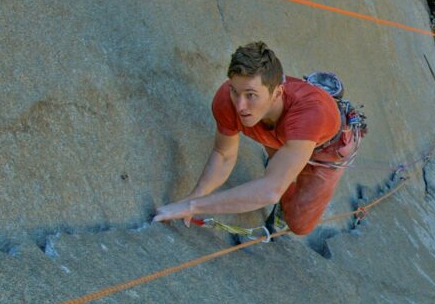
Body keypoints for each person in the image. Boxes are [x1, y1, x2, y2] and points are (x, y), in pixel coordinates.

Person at [153, 41, 358, 236]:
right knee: (278, 175)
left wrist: (192, 206)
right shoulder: (228, 100)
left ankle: (282, 169)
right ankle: (282, 168)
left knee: (299, 224)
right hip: (281, 136)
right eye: (235, 91)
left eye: (251, 95)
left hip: (326, 150)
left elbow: (270, 192)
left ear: (277, 92)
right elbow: (224, 154)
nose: (240, 106)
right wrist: (194, 197)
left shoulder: (309, 113)